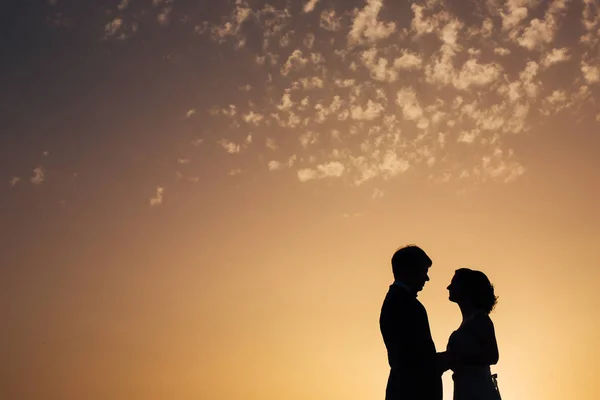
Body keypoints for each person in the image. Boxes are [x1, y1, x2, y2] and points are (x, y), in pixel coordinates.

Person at [379, 245, 444, 400]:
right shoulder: (402, 303)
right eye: (424, 271)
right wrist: (446, 360)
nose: (426, 278)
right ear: (409, 270)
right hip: (412, 391)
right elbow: (412, 357)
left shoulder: (398, 300)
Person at [441, 268, 501, 400]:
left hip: (479, 392)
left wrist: (454, 359)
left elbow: (492, 355)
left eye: (454, 283)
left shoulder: (480, 319)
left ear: (466, 289)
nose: (448, 287)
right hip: (465, 391)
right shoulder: (469, 320)